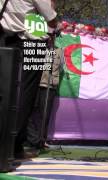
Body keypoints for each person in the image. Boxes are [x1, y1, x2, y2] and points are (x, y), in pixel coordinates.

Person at [0, 0, 57, 159]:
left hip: (7, 39)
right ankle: (11, 147)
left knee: (6, 93)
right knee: (27, 95)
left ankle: (15, 146)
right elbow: (51, 17)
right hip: (33, 42)